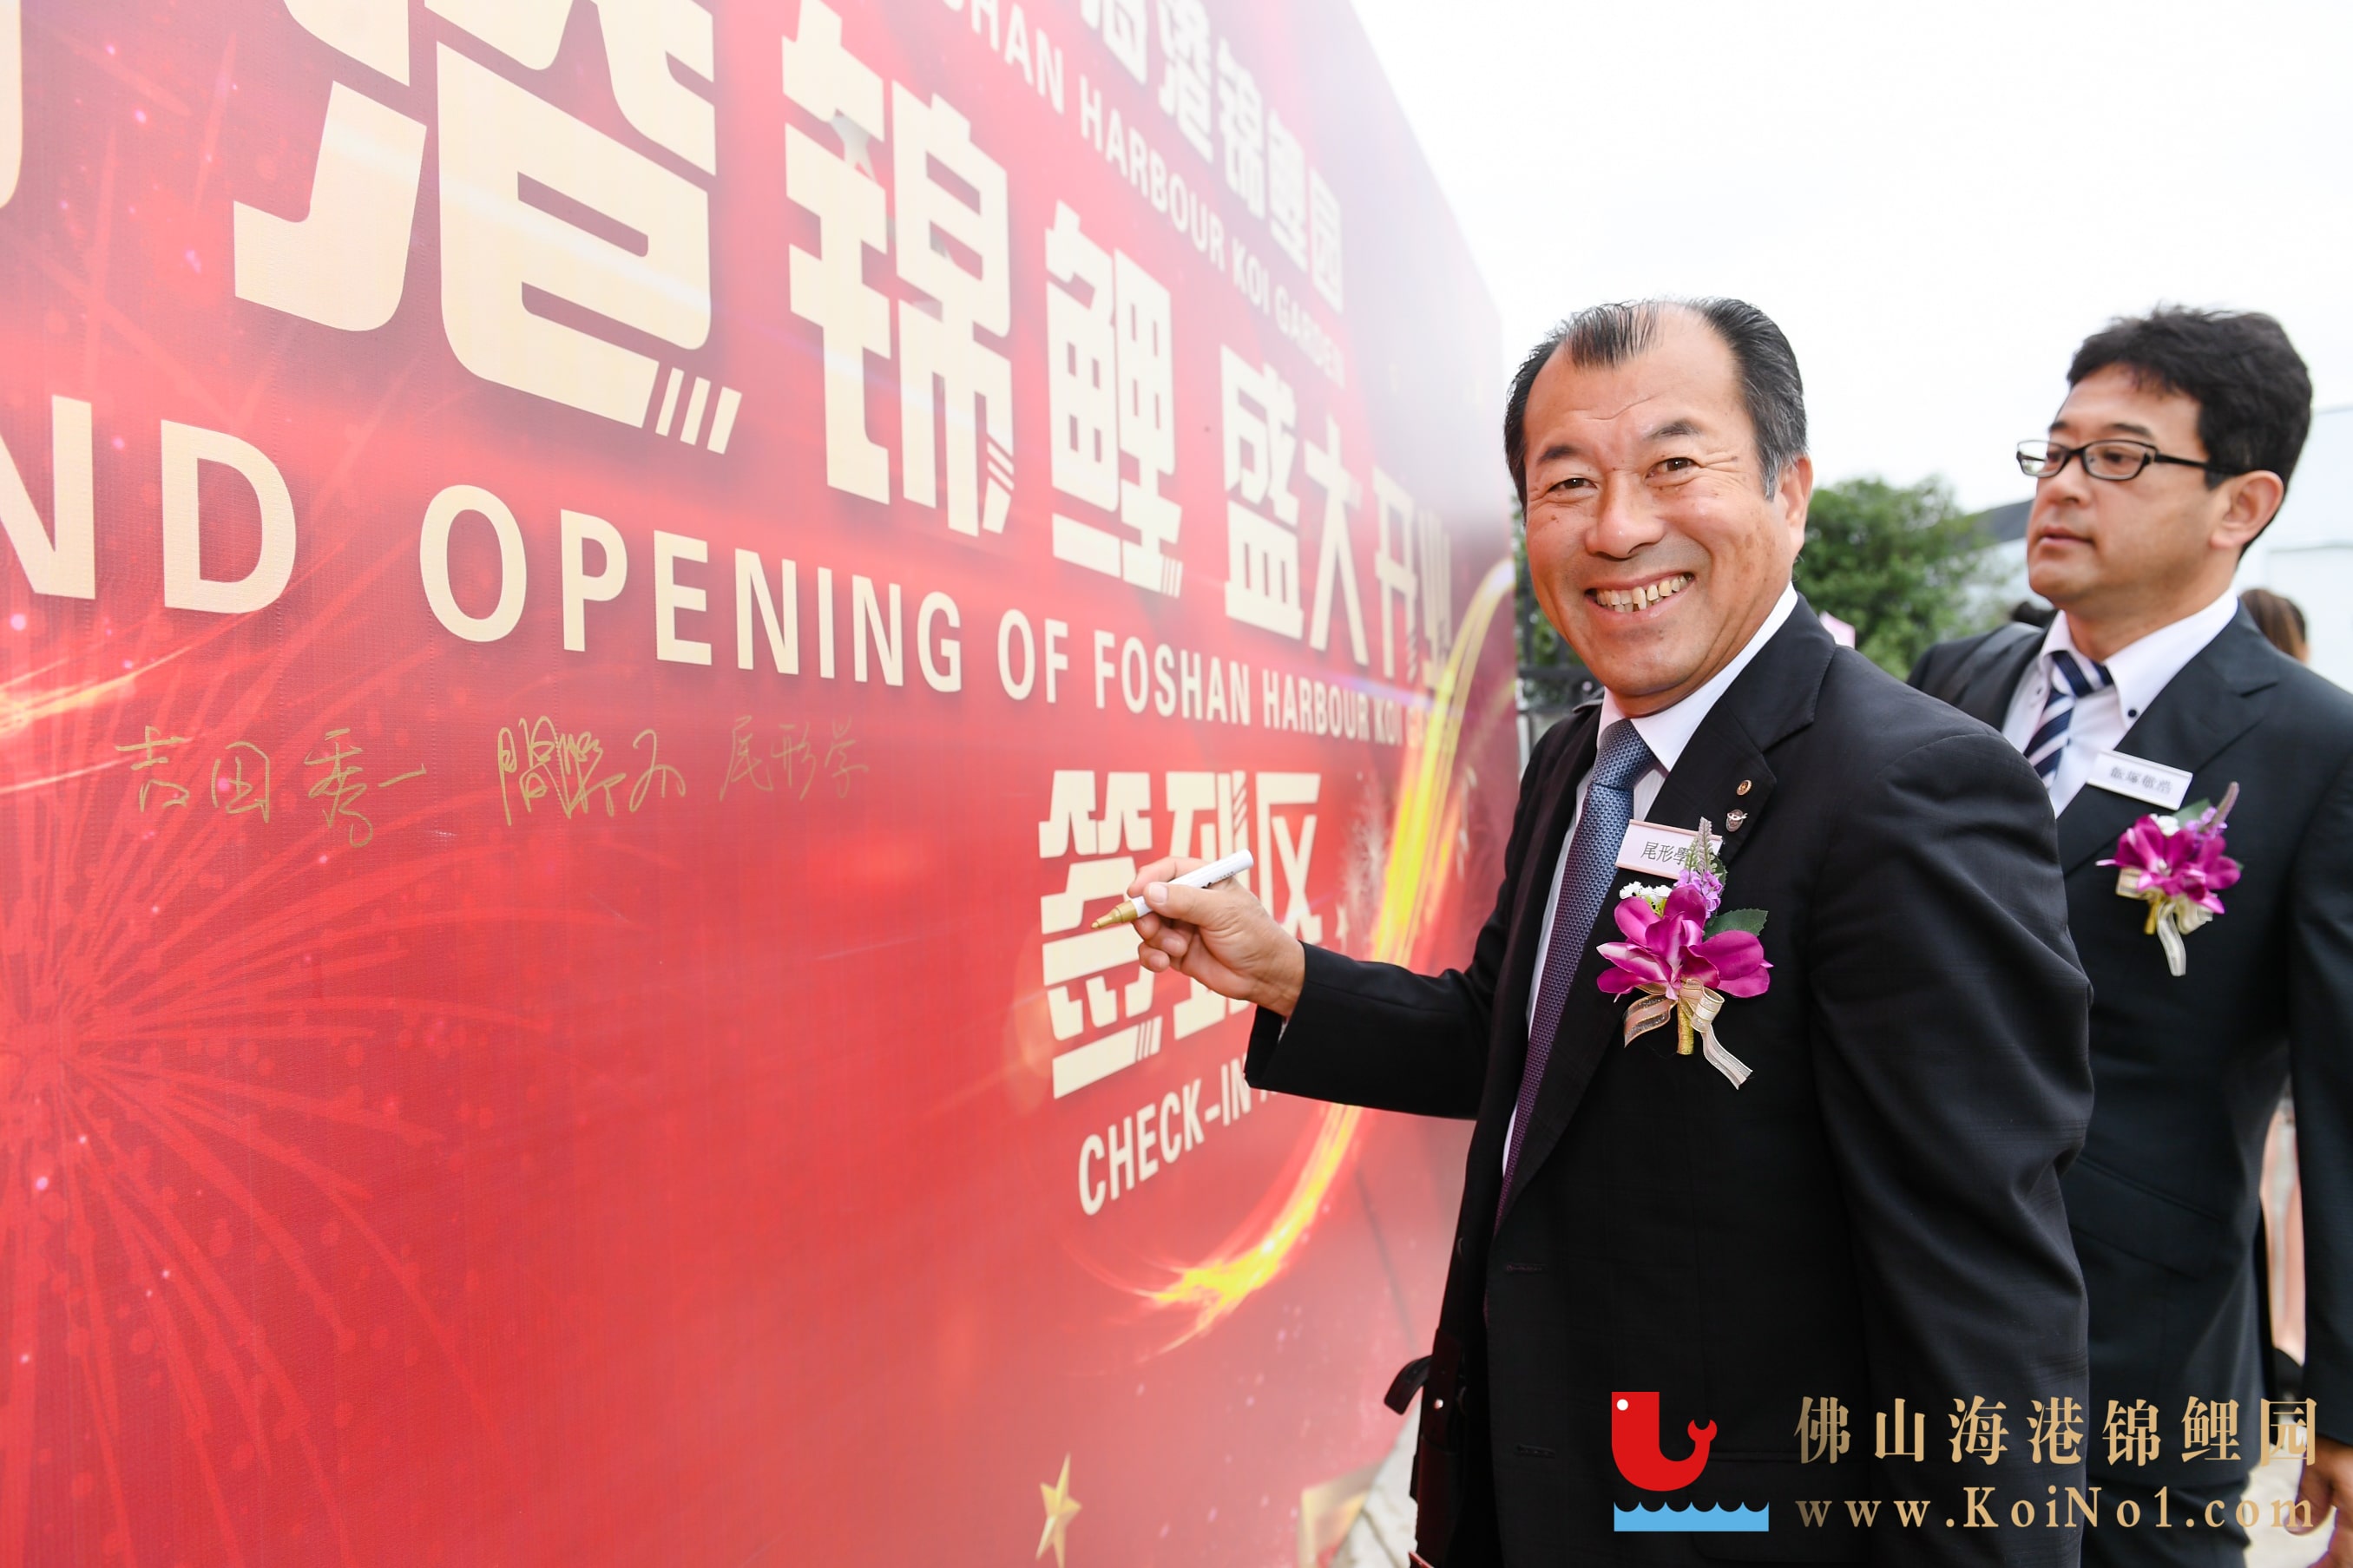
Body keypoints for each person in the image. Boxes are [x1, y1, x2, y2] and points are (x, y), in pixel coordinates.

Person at [1128, 299, 2093, 1565]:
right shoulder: (1580, 761)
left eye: (1675, 465)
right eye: (1567, 482)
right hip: (1533, 1486)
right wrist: (1290, 976)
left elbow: (1981, 1299)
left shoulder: (1907, 790)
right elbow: (1522, 1044)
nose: (1619, 526)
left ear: (1790, 493)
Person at [1910, 308, 2353, 1567]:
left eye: (2118, 458)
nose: (2062, 486)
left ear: (2240, 506)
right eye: (2054, 452)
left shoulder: (2314, 749)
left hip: (2138, 1359)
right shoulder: (1953, 683)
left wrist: (2343, 1402)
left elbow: (2343, 1098)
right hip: (1895, 1312)